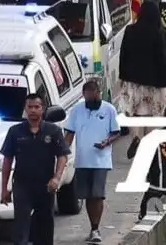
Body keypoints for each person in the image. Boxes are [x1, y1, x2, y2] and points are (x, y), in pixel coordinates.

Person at [0, 94, 70, 245]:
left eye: (36, 107)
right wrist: (4, 188)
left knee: (45, 228)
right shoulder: (15, 132)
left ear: (42, 109)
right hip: (22, 186)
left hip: (45, 187)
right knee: (20, 228)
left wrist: (56, 178)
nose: (33, 110)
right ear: (25, 109)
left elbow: (63, 156)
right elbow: (7, 160)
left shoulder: (53, 131)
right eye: (29, 107)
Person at [64, 78, 121, 244]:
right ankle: (92, 227)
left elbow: (116, 132)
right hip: (82, 160)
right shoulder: (77, 110)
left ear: (98, 94)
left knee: (98, 195)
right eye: (87, 98)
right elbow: (69, 134)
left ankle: (96, 228)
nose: (90, 101)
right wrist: (62, 154)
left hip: (100, 161)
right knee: (87, 196)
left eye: (93, 97)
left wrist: (106, 143)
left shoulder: (109, 109)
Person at [118, 1, 166, 149]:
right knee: (153, 114)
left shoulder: (130, 30)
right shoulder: (158, 33)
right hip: (154, 83)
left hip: (132, 81)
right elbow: (162, 60)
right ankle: (149, 143)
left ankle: (136, 137)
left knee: (135, 112)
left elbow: (123, 55)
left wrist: (122, 77)